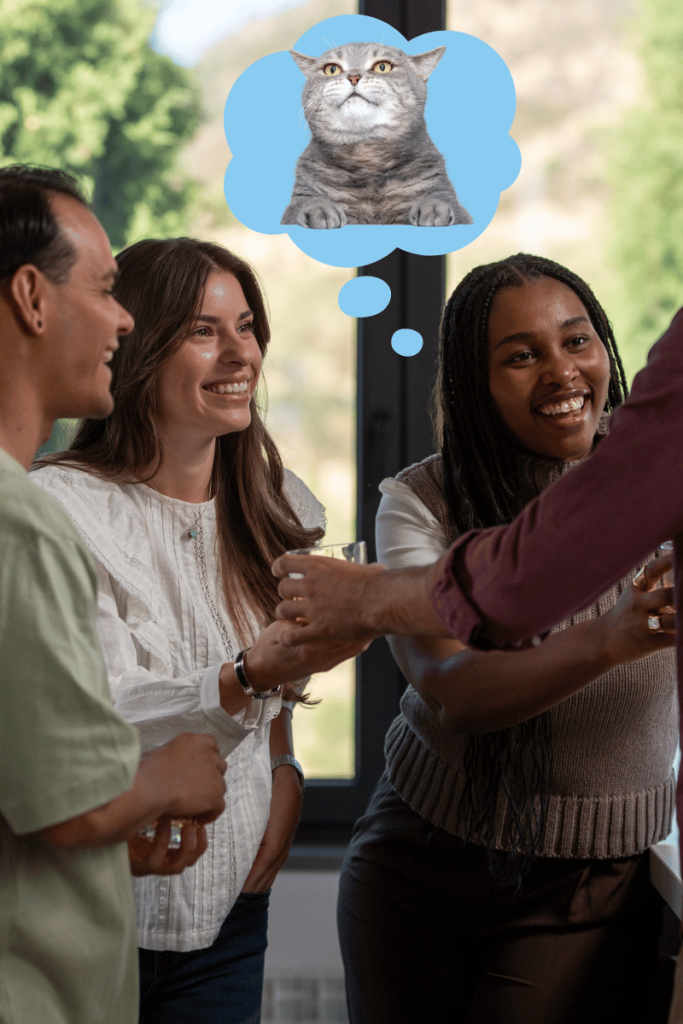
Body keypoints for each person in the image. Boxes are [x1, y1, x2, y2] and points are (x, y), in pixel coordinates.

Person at [329, 255, 677, 1023]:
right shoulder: (421, 502)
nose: (561, 373)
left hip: (587, 882)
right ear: (472, 386)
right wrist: (611, 641)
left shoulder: (655, 476)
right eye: (521, 356)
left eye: (576, 341)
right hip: (418, 864)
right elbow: (453, 693)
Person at [32, 236, 366, 1024]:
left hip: (230, 902)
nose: (238, 352)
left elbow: (281, 680)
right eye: (202, 331)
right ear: (138, 348)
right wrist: (244, 675)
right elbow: (101, 708)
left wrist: (286, 770)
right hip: (95, 898)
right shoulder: (58, 508)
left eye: (246, 326)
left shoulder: (277, 502)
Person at [0, 166, 227, 1024]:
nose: (122, 319)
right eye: (103, 288)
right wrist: (171, 771)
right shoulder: (21, 523)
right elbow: (74, 804)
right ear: (31, 296)